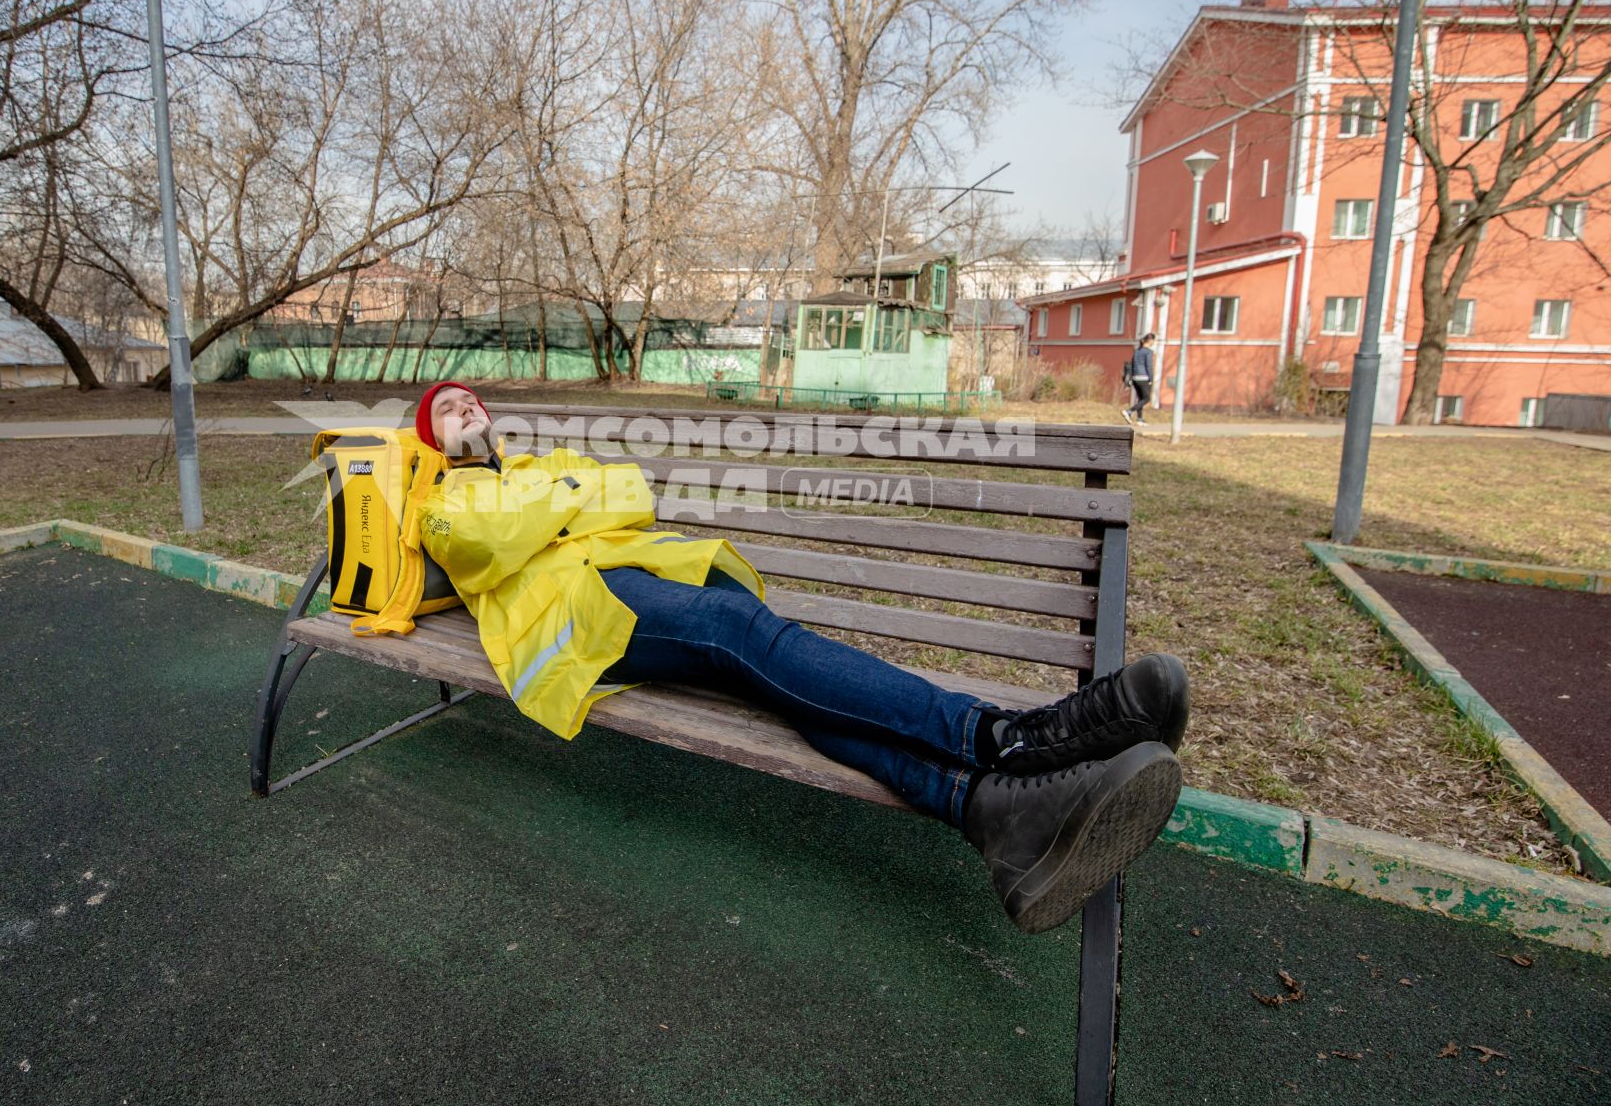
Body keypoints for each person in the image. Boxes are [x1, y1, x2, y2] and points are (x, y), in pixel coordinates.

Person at [407, 380, 1188, 935]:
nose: (464, 407)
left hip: (640, 595)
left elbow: (629, 494)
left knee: (781, 688)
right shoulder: (443, 503)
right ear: (430, 441)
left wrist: (549, 503)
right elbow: (492, 540)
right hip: (578, 629)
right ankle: (1009, 738)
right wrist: (564, 500)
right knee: (742, 633)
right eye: (445, 410)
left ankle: (994, 812)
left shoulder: (543, 467)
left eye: (468, 398)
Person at [1121, 333, 1156, 426]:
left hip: (1135, 378)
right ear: (1151, 340)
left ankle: (1140, 419)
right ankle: (1129, 411)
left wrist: (1131, 378)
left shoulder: (1137, 351)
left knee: (1140, 398)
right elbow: (1149, 366)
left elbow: (1132, 365)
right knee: (1147, 398)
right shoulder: (1148, 352)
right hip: (1144, 377)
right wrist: (1151, 379)